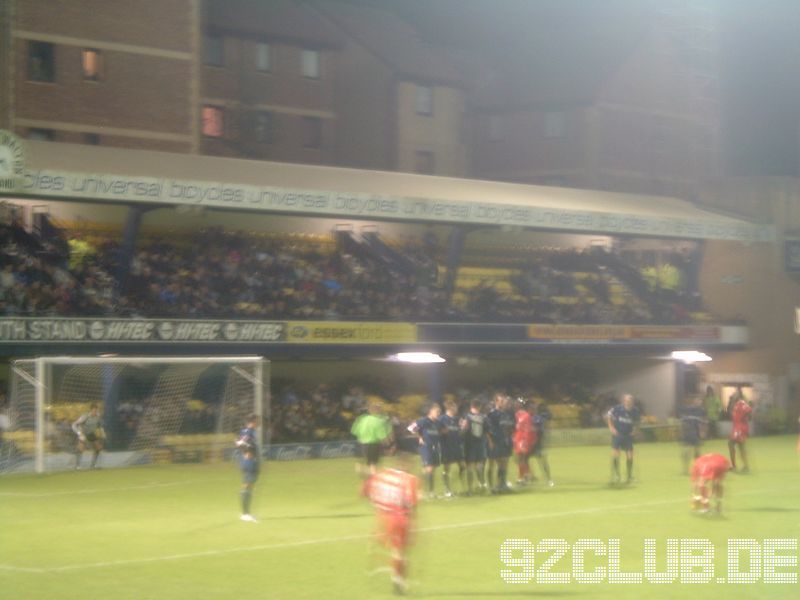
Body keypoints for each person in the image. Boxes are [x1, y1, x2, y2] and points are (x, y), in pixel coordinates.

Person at [362, 453, 419, 595]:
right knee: (399, 552)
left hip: (382, 517)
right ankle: (398, 581)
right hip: (399, 519)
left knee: (394, 550)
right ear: (406, 464)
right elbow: (412, 503)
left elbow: (365, 491)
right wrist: (413, 524)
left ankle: (397, 579)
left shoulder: (382, 475)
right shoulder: (409, 479)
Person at [407, 403, 442, 498]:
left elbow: (441, 432)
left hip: (435, 447)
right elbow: (410, 428)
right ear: (430, 411)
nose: (438, 413)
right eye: (437, 411)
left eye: (439, 412)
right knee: (429, 469)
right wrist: (419, 436)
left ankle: (422, 491)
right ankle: (429, 492)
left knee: (430, 470)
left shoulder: (438, 423)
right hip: (426, 447)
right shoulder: (423, 421)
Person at [351, 402, 393, 476]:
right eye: (379, 409)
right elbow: (382, 436)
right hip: (373, 444)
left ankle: (362, 472)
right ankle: (373, 476)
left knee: (365, 461)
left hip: (361, 443)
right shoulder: (378, 421)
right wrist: (388, 445)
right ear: (377, 410)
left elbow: (354, 431)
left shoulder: (362, 419)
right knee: (373, 463)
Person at [606, 393, 641, 484]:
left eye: (630, 400)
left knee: (630, 455)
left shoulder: (635, 410)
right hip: (618, 435)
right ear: (624, 401)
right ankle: (617, 476)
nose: (628, 402)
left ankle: (629, 476)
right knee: (616, 455)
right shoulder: (617, 408)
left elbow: (637, 422)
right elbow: (609, 415)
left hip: (628, 436)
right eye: (627, 400)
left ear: (632, 401)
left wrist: (636, 430)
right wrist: (611, 427)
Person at [486, 393, 514, 493]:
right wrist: (490, 441)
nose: (503, 403)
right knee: (494, 464)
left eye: (503, 401)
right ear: (496, 402)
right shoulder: (492, 414)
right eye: (501, 401)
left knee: (504, 463)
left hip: (505, 441)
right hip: (495, 441)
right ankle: (492, 485)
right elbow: (487, 429)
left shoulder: (505, 414)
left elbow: (508, 427)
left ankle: (502, 484)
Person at [236, 414, 260, 522]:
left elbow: (240, 442)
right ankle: (245, 514)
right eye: (257, 420)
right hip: (248, 461)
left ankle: (247, 513)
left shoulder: (252, 432)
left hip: (252, 461)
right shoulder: (247, 431)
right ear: (253, 421)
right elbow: (240, 443)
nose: (259, 422)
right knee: (247, 486)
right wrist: (247, 450)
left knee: (249, 486)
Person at [439, 400, 465, 497]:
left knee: (463, 466)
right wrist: (442, 432)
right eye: (455, 407)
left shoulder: (458, 419)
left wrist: (463, 428)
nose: (457, 409)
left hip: (457, 446)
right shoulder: (442, 419)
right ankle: (447, 489)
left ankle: (461, 486)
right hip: (446, 446)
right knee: (447, 468)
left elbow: (460, 432)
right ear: (450, 408)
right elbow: (438, 431)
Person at [462, 398, 488, 495]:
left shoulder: (466, 417)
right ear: (480, 407)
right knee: (479, 466)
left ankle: (470, 489)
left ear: (471, 407)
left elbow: (462, 432)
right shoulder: (483, 417)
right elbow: (486, 430)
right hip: (479, 444)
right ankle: (481, 485)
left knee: (471, 467)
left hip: (470, 445)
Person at [679, 395, 707, 475]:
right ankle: (685, 469)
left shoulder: (701, 410)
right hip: (688, 432)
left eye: (700, 401)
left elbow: (703, 422)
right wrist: (682, 431)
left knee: (697, 451)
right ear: (694, 401)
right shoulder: (688, 409)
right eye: (697, 400)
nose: (699, 402)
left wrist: (703, 432)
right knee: (686, 451)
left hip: (696, 432)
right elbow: (683, 421)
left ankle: (697, 468)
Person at [72, 403, 105, 469]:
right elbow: (74, 424)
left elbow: (99, 426)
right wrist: (79, 433)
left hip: (92, 434)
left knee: (98, 448)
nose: (95, 412)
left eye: (96, 411)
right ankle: (77, 465)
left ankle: (93, 465)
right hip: (84, 433)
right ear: (91, 410)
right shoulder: (85, 416)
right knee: (81, 448)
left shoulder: (98, 417)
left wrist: (102, 434)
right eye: (94, 411)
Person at [728, 389, 753, 473]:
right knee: (737, 445)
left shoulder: (741, 403)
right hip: (737, 427)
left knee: (734, 444)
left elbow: (749, 410)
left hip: (740, 428)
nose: (733, 396)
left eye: (734, 394)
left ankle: (738, 466)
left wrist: (744, 418)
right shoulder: (736, 404)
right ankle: (743, 466)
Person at [531, 400, 554, 487]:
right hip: (531, 442)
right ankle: (528, 477)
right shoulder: (532, 417)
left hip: (537, 443)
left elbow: (550, 416)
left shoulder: (539, 417)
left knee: (543, 461)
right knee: (525, 461)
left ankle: (549, 479)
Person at [513, 398, 535, 485]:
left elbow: (527, 429)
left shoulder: (526, 415)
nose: (516, 405)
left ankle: (522, 478)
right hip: (518, 438)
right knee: (520, 459)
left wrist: (526, 441)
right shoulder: (516, 414)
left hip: (522, 440)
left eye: (518, 404)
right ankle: (526, 475)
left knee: (521, 458)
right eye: (515, 404)